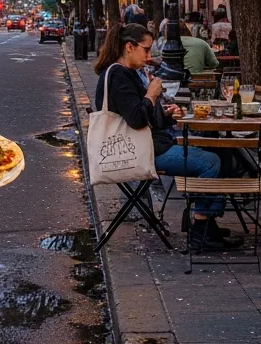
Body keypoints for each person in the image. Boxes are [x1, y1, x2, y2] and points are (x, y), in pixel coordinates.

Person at [93, 23, 239, 250]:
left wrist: (167, 114)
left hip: (148, 144)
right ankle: (201, 226)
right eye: (146, 49)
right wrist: (151, 94)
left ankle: (206, 222)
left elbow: (147, 117)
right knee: (212, 161)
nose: (149, 56)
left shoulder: (128, 74)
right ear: (129, 47)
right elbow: (136, 119)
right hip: (139, 151)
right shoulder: (118, 76)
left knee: (221, 153)